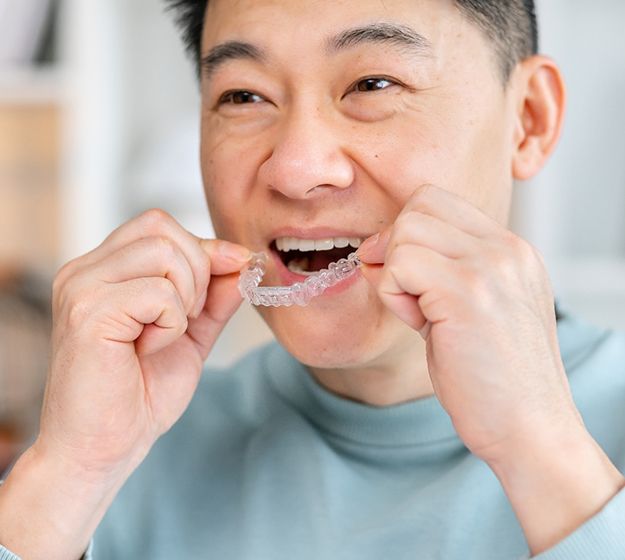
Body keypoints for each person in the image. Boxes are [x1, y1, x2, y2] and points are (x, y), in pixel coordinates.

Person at [1, 0, 625, 558]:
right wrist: (68, 476)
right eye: (243, 97)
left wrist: (545, 456)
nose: (296, 170)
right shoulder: (124, 452)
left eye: (373, 83)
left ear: (531, 118)